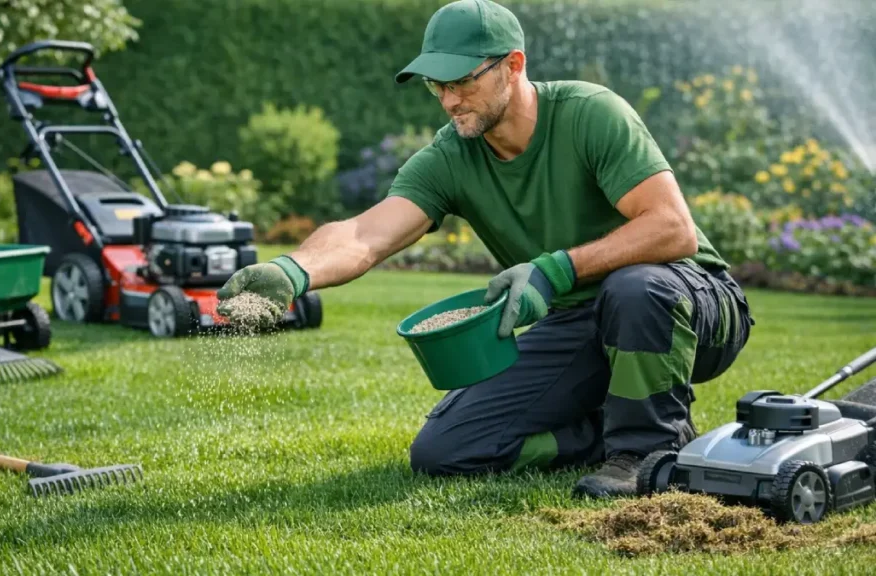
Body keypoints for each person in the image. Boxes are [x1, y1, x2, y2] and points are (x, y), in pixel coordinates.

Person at [216, 0, 753, 499]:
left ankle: (646, 453)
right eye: (435, 85)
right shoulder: (452, 155)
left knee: (634, 287)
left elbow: (671, 229)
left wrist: (556, 269)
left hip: (691, 303)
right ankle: (600, 436)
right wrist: (293, 269)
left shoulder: (591, 113)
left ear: (513, 65)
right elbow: (366, 233)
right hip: (580, 321)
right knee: (444, 451)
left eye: (463, 81)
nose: (449, 100)